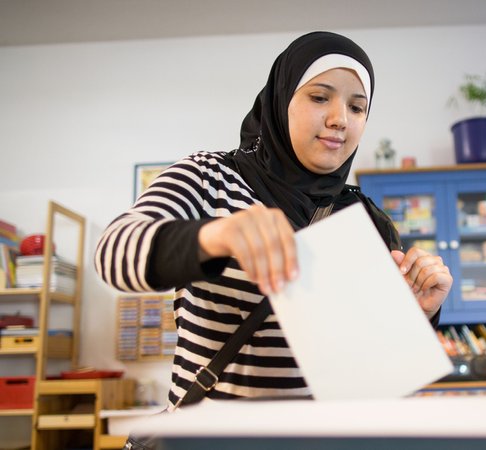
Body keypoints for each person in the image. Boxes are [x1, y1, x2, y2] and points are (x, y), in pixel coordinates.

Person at [95, 31, 452, 410]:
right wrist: (216, 236)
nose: (339, 119)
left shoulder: (368, 221)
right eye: (319, 97)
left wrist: (420, 318)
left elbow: (381, 378)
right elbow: (114, 253)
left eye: (357, 108)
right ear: (280, 102)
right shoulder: (209, 178)